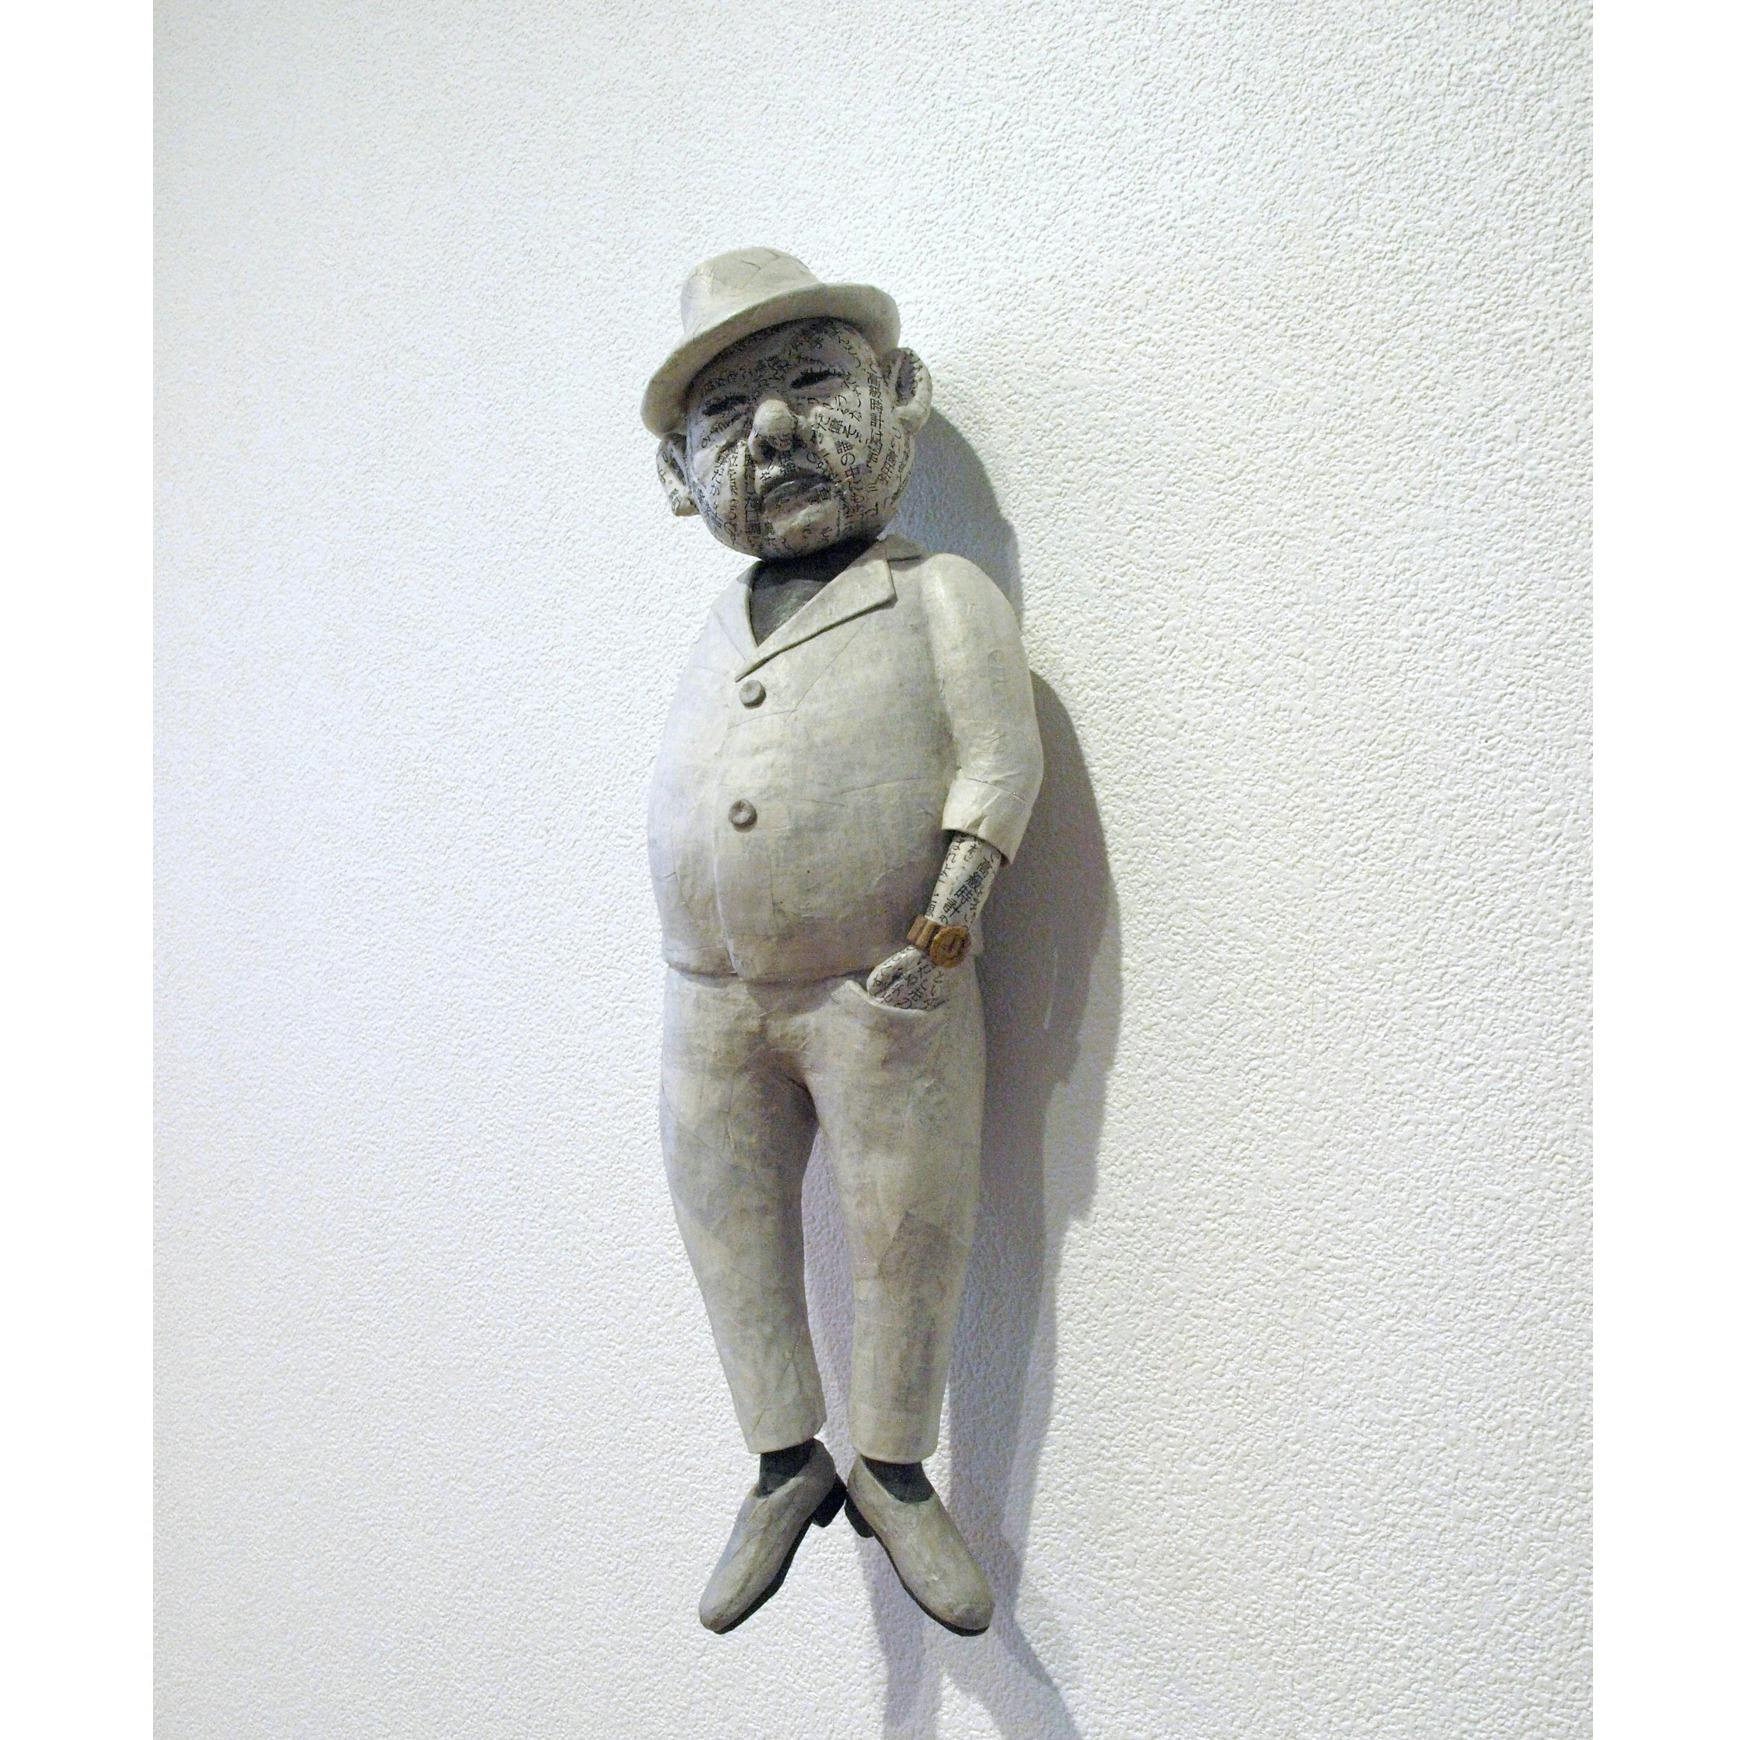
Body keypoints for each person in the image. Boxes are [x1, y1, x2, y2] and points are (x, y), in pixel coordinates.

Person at [642, 249, 1043, 1635]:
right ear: (678, 479)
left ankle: (894, 1467)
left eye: (813, 383)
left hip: (885, 988)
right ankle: (779, 1460)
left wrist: (946, 926)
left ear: (899, 394)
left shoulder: (942, 596)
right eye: (723, 416)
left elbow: (1000, 760)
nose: (772, 431)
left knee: (906, 1228)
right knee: (726, 1227)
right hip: (710, 1003)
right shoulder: (716, 625)